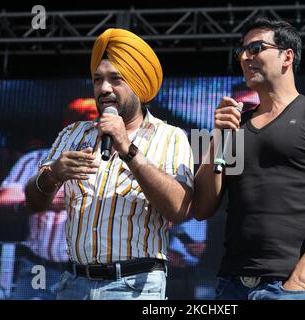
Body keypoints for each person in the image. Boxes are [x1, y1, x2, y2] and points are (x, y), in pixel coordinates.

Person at [190, 17, 305, 300]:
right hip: (232, 285)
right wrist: (217, 136)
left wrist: (300, 280)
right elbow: (202, 207)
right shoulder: (231, 126)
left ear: (287, 57)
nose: (244, 57)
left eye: (255, 48)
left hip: (296, 286)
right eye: (241, 51)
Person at [25, 28, 194, 300]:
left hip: (135, 285)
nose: (103, 88)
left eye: (115, 79)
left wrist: (128, 149)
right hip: (73, 284)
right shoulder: (72, 134)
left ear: (139, 84)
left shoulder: (171, 137)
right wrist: (52, 175)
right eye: (97, 80)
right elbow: (33, 202)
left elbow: (179, 208)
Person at [0, 98, 98, 300]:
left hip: (89, 274)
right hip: (39, 266)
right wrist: (42, 200)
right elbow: (1, 206)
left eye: (92, 121)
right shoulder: (35, 160)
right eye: (77, 120)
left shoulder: (116, 168)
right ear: (65, 124)